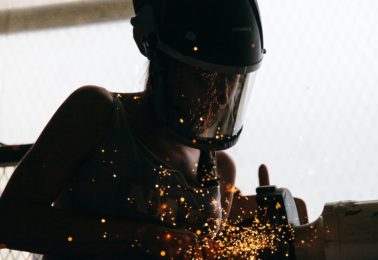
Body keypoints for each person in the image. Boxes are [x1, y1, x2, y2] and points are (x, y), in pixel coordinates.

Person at [0, 0, 265, 259]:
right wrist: (139, 237)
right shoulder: (96, 113)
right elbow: (9, 221)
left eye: (231, 80)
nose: (222, 97)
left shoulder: (220, 171)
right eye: (207, 78)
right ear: (165, 62)